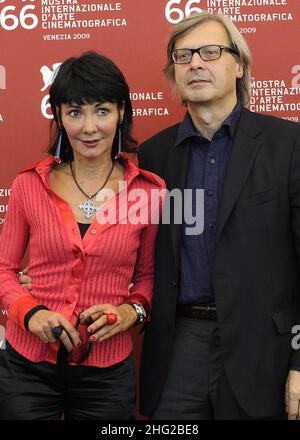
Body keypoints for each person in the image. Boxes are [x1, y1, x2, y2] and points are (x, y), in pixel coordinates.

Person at [137, 11, 300, 420]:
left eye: (211, 52)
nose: (195, 63)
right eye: (183, 55)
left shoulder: (287, 144)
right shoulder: (154, 156)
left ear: (239, 64)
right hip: (179, 346)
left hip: (262, 347)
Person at [0, 51, 164, 420]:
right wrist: (30, 313)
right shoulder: (29, 185)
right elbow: (3, 269)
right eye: (75, 112)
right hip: (26, 368)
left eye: (102, 110)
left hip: (106, 374)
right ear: (57, 115)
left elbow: (149, 278)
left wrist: (129, 311)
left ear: (122, 111)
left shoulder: (149, 193)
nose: (89, 127)